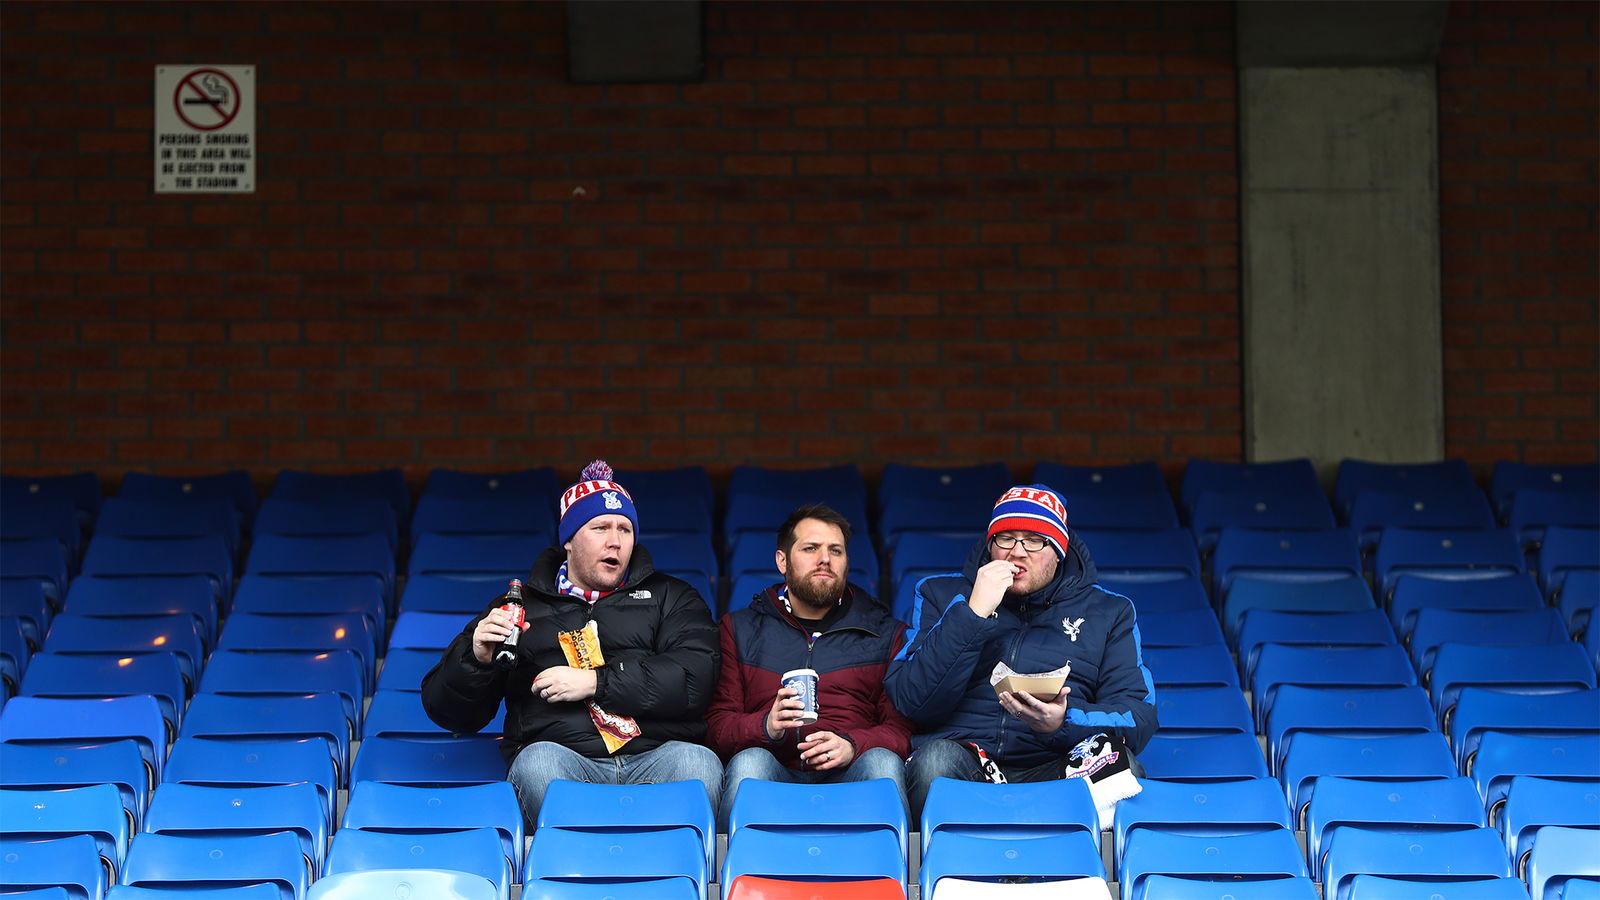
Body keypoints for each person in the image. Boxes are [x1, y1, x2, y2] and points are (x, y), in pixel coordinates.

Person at [421, 460, 723, 827]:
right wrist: (475, 659)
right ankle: (581, 861)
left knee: (699, 763)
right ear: (568, 539)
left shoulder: (672, 596)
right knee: (537, 763)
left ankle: (662, 865)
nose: (615, 540)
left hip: (656, 754)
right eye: (600, 527)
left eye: (625, 530)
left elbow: (695, 678)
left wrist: (597, 682)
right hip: (564, 759)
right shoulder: (518, 606)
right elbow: (451, 714)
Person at [884, 483, 1158, 821]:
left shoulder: (1110, 611)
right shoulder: (940, 594)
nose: (1017, 552)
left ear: (1059, 550)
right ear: (990, 546)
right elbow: (912, 700)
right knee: (934, 760)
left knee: (1122, 765)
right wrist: (972, 614)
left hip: (1057, 762)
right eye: (1006, 538)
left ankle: (1079, 866)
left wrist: (1063, 720)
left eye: (1034, 540)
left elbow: (1138, 715)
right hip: (969, 758)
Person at [706, 503, 912, 828]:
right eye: (810, 548)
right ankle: (737, 874)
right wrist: (767, 726)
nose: (825, 560)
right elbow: (716, 728)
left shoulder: (885, 633)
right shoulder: (739, 629)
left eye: (836, 551)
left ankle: (884, 872)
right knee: (750, 763)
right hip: (774, 766)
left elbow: (901, 732)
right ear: (782, 561)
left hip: (850, 769)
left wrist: (853, 745)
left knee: (883, 763)